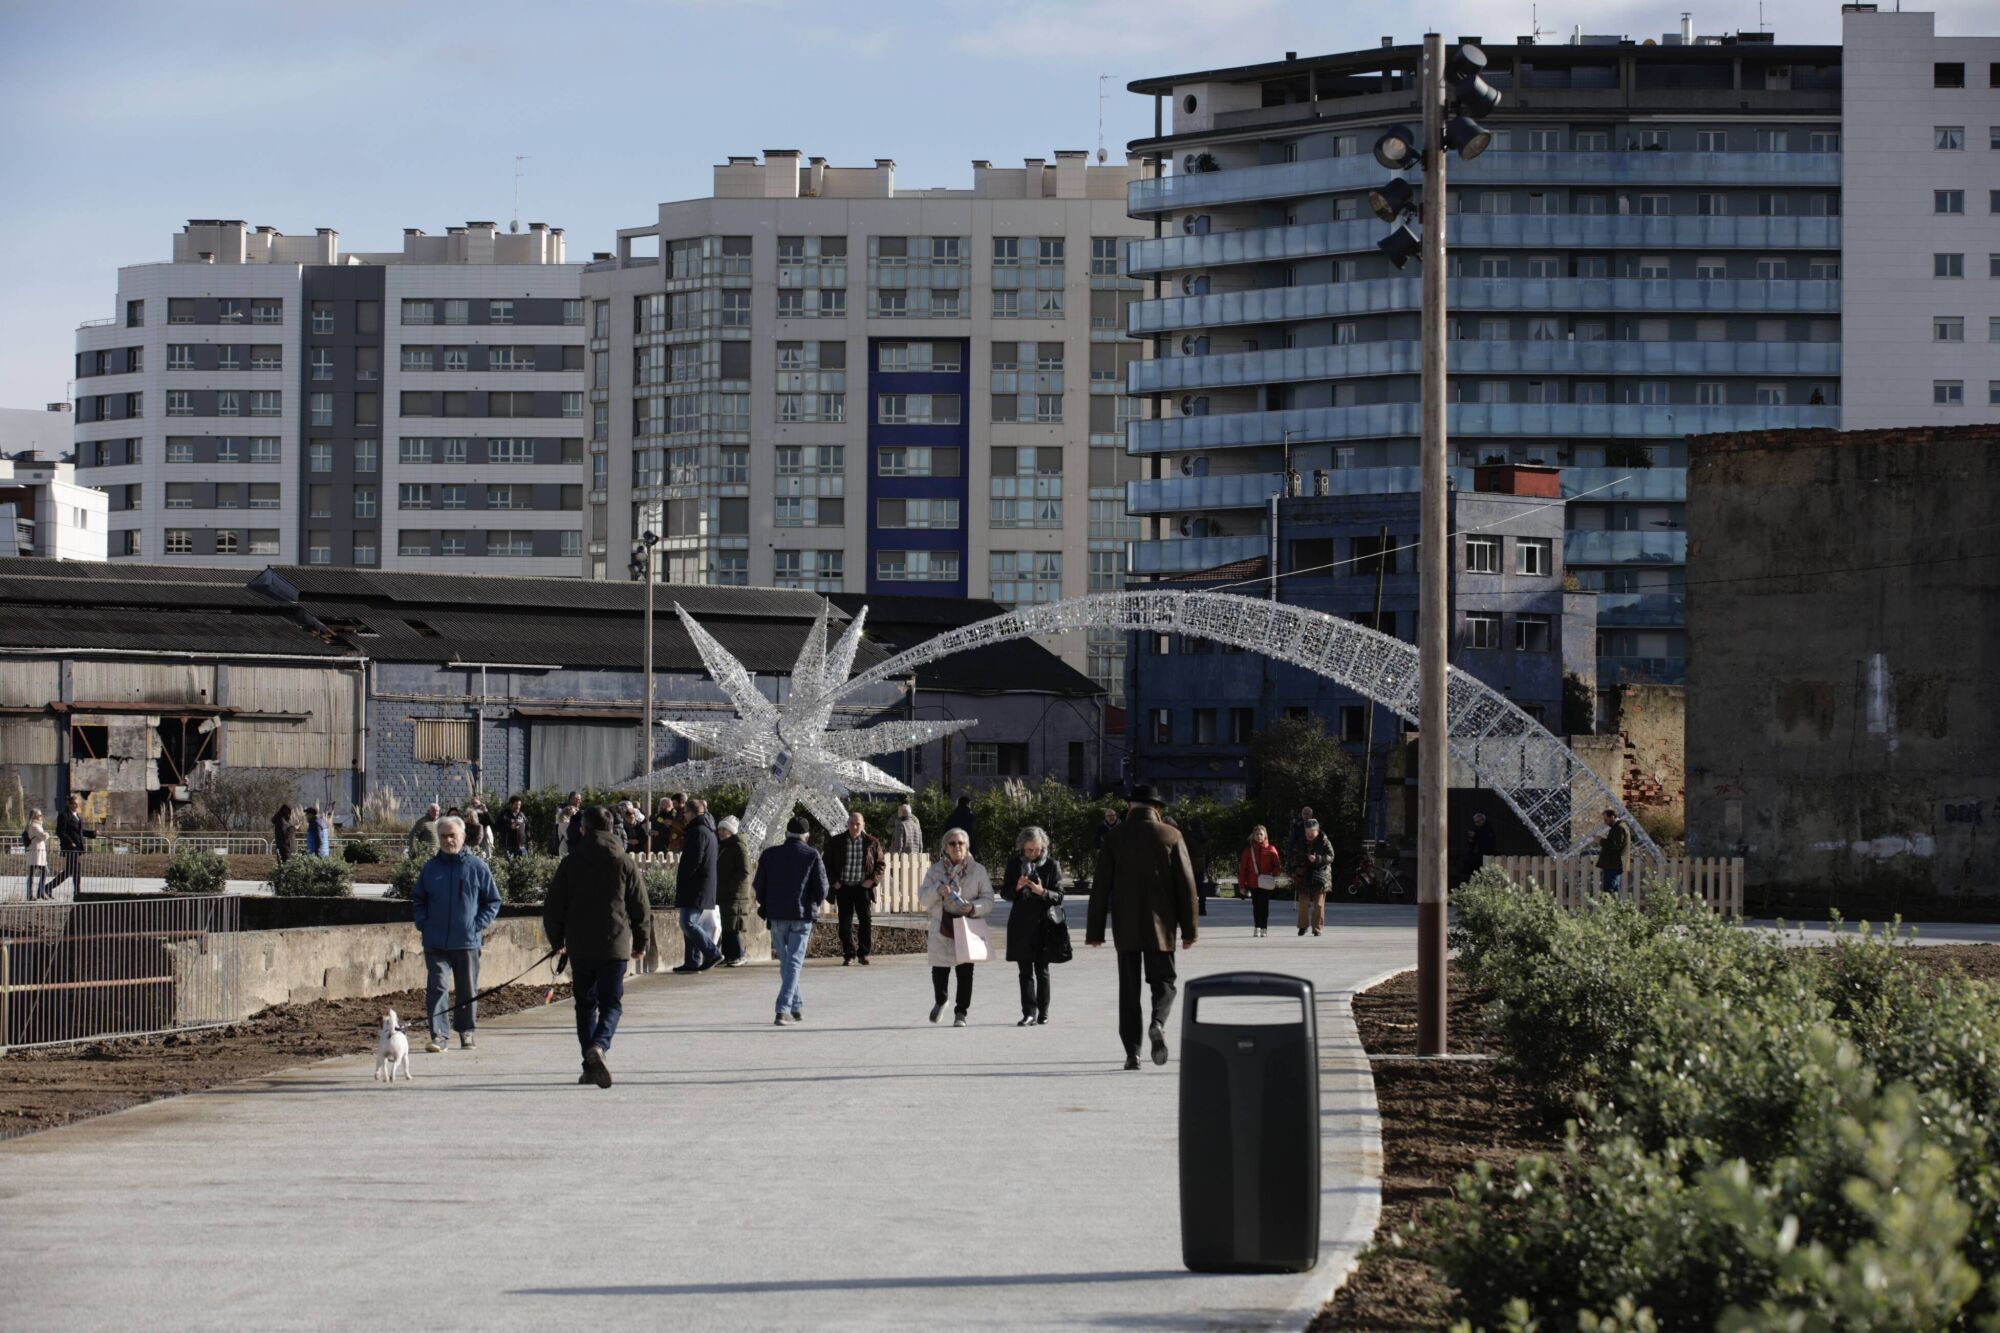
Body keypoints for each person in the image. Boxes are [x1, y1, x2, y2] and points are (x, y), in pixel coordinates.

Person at [1087, 785, 1198, 1071]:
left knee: (1129, 990)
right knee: (1165, 983)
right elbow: (1187, 887)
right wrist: (1189, 930)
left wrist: (1095, 931)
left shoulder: (1114, 837)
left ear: (1129, 808)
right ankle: (1157, 1022)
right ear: (1157, 809)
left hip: (1126, 927)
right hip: (1162, 928)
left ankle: (1132, 1053)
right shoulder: (1171, 835)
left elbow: (1101, 887)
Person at [543, 805, 651, 1089]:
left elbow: (553, 906)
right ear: (613, 828)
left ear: (584, 829)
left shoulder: (571, 862)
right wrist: (641, 941)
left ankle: (589, 1063)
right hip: (614, 945)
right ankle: (600, 1047)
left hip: (580, 946)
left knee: (585, 1006)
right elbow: (640, 906)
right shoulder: (624, 861)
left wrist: (557, 941)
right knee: (611, 1004)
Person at [410, 814, 502, 1053]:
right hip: (436, 941)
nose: (448, 840)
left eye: (452, 835)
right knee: (438, 987)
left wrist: (477, 924)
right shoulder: (431, 868)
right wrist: (423, 923)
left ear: (462, 837)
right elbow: (418, 899)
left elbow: (492, 901)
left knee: (467, 989)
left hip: (467, 941)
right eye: (443, 836)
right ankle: (439, 1036)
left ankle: (466, 1032)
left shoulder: (477, 867)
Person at [754, 815, 828, 1025]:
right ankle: (783, 1009)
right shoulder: (812, 855)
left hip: (776, 914)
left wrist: (767, 903)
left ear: (786, 833)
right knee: (793, 962)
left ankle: (796, 1005)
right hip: (801, 914)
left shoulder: (769, 854)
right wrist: (814, 902)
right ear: (806, 836)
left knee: (786, 962)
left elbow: (759, 886)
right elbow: (822, 888)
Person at [920, 828, 993, 1027]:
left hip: (966, 925)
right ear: (945, 848)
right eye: (952, 843)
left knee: (965, 972)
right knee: (940, 969)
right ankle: (941, 1000)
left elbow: (988, 899)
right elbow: (923, 899)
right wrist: (937, 890)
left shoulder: (978, 870)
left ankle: (961, 1012)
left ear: (967, 845)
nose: (957, 847)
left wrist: (974, 907)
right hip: (941, 923)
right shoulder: (935, 870)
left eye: (961, 843)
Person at [1000, 825, 1065, 1026]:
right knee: (1024, 972)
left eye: (1037, 849)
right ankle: (1028, 1012)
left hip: (1044, 924)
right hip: (1021, 924)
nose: (1033, 854)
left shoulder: (1052, 865)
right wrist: (1017, 887)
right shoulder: (1014, 864)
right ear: (1022, 847)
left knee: (1042, 970)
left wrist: (1042, 892)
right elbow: (1005, 893)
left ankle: (1043, 1011)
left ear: (1043, 846)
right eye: (1029, 850)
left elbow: (1059, 896)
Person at [824, 811, 885, 966]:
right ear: (848, 824)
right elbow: (826, 864)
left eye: (858, 823)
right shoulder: (836, 841)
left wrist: (872, 881)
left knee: (865, 921)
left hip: (862, 887)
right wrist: (835, 882)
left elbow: (880, 865)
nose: (855, 826)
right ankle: (848, 954)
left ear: (863, 825)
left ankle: (863, 954)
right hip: (843, 887)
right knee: (845, 922)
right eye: (852, 823)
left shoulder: (872, 842)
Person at [673, 797, 721, 973]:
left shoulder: (698, 831)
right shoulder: (708, 830)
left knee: (688, 923)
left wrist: (684, 878)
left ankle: (712, 952)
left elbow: (694, 860)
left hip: (696, 885)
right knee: (691, 923)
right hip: (702, 884)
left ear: (691, 812)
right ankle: (692, 961)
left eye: (685, 812)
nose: (683, 816)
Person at [715, 814, 755, 966]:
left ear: (731, 831)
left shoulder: (738, 846)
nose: (720, 832)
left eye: (724, 829)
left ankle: (739, 954)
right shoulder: (724, 846)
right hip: (725, 892)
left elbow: (745, 870)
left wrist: (731, 886)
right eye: (720, 829)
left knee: (733, 925)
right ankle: (728, 955)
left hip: (735, 894)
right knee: (726, 924)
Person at [1239, 824, 1282, 938]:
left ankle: (1264, 927)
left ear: (1265, 836)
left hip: (1265, 883)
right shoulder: (1248, 851)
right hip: (1253, 883)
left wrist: (1272, 873)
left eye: (1261, 834)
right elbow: (1242, 870)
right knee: (1256, 906)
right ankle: (1257, 927)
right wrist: (1242, 886)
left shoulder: (1271, 849)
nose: (1259, 836)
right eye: (1257, 834)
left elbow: (1277, 867)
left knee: (1264, 906)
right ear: (1253, 836)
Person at [1293, 817, 1334, 937]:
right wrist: (1298, 864)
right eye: (1307, 832)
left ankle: (1317, 928)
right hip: (1304, 875)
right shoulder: (1300, 841)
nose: (1309, 835)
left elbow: (1331, 856)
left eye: (1312, 832)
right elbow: (1294, 856)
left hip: (1320, 876)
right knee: (1303, 903)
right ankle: (1302, 926)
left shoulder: (1324, 841)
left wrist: (1318, 859)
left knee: (1319, 905)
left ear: (1318, 830)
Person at [47, 795, 88, 898]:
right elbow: (60, 832)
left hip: (77, 848)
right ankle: (48, 887)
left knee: (75, 870)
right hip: (70, 848)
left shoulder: (77, 816)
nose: (77, 805)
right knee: (71, 870)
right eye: (74, 803)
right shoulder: (64, 815)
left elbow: (80, 832)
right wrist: (70, 842)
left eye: (77, 803)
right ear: (69, 804)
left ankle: (77, 892)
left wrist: (93, 833)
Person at [1595, 808, 1630, 898]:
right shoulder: (1619, 827)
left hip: (1614, 864)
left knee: (1610, 889)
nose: (1605, 822)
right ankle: (1616, 908)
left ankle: (1611, 909)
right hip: (1615, 863)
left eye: (1606, 819)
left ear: (1613, 817)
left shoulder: (1619, 828)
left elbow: (1615, 845)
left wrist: (1600, 841)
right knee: (1615, 889)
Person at [1187, 816, 1212, 915]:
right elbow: (1209, 853)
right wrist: (1206, 864)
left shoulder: (1190, 837)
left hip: (1190, 864)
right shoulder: (1206, 837)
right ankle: (1202, 908)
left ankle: (1191, 908)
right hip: (1201, 864)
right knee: (1201, 887)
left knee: (1190, 888)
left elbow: (1186, 851)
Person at [1462, 811, 1496, 883]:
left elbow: (1487, 841)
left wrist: (1475, 836)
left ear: (1483, 820)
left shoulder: (1488, 828)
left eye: (1478, 821)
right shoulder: (1476, 828)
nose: (1476, 823)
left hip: (1487, 854)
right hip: (1478, 854)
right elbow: (1472, 843)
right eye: (1475, 822)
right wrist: (1471, 839)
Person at [22, 808, 49, 901]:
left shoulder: (37, 825)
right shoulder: (34, 826)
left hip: (38, 853)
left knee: (41, 872)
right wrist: (47, 834)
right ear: (35, 816)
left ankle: (39, 892)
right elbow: (44, 836)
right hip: (35, 853)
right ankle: (33, 893)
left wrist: (44, 834)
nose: (41, 817)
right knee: (34, 874)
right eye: (40, 815)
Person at [548, 792, 583, 857]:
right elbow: (566, 830)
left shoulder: (578, 811)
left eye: (580, 799)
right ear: (571, 799)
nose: (580, 801)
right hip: (564, 843)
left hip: (573, 846)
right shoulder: (562, 810)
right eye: (578, 799)